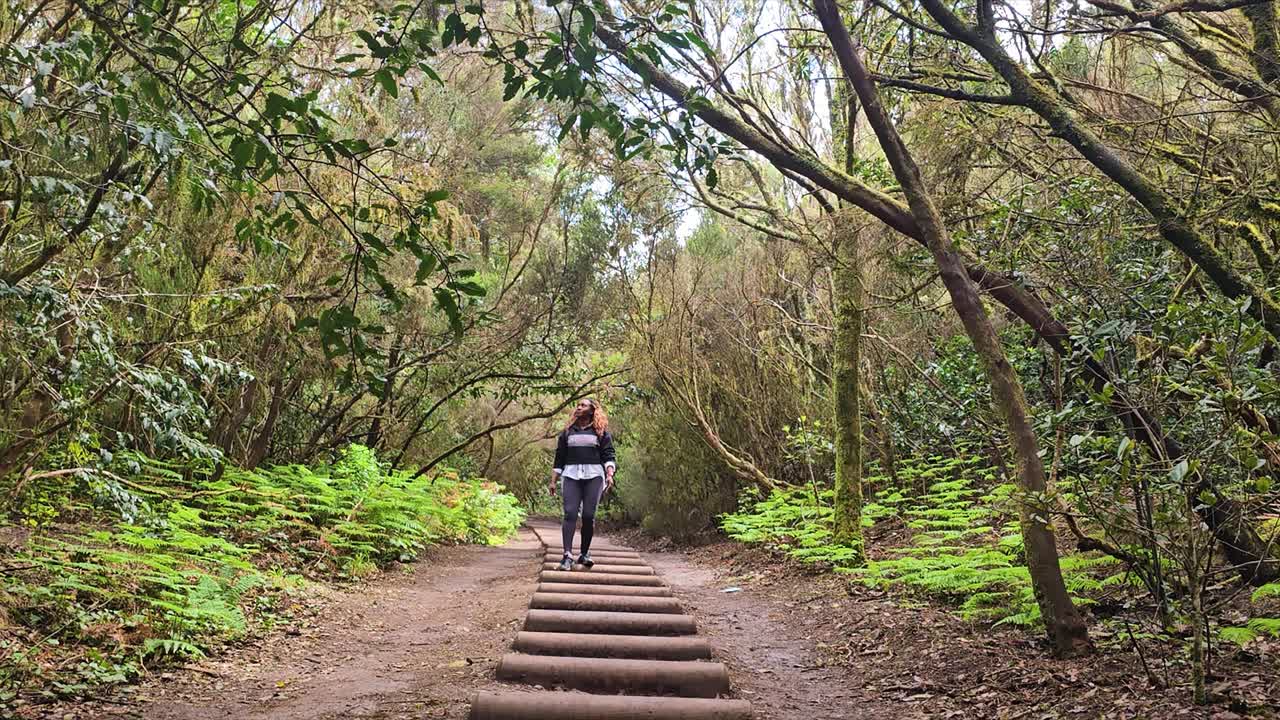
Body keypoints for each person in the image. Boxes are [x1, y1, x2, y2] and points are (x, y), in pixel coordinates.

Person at [549, 397, 616, 571]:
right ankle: (567, 555)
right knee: (570, 513)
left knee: (588, 516)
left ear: (592, 410)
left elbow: (608, 455)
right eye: (578, 405)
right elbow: (559, 458)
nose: (578, 408)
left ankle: (584, 553)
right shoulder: (567, 432)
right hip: (571, 475)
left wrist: (609, 474)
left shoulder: (601, 432)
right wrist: (553, 481)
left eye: (583, 405)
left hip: (594, 476)